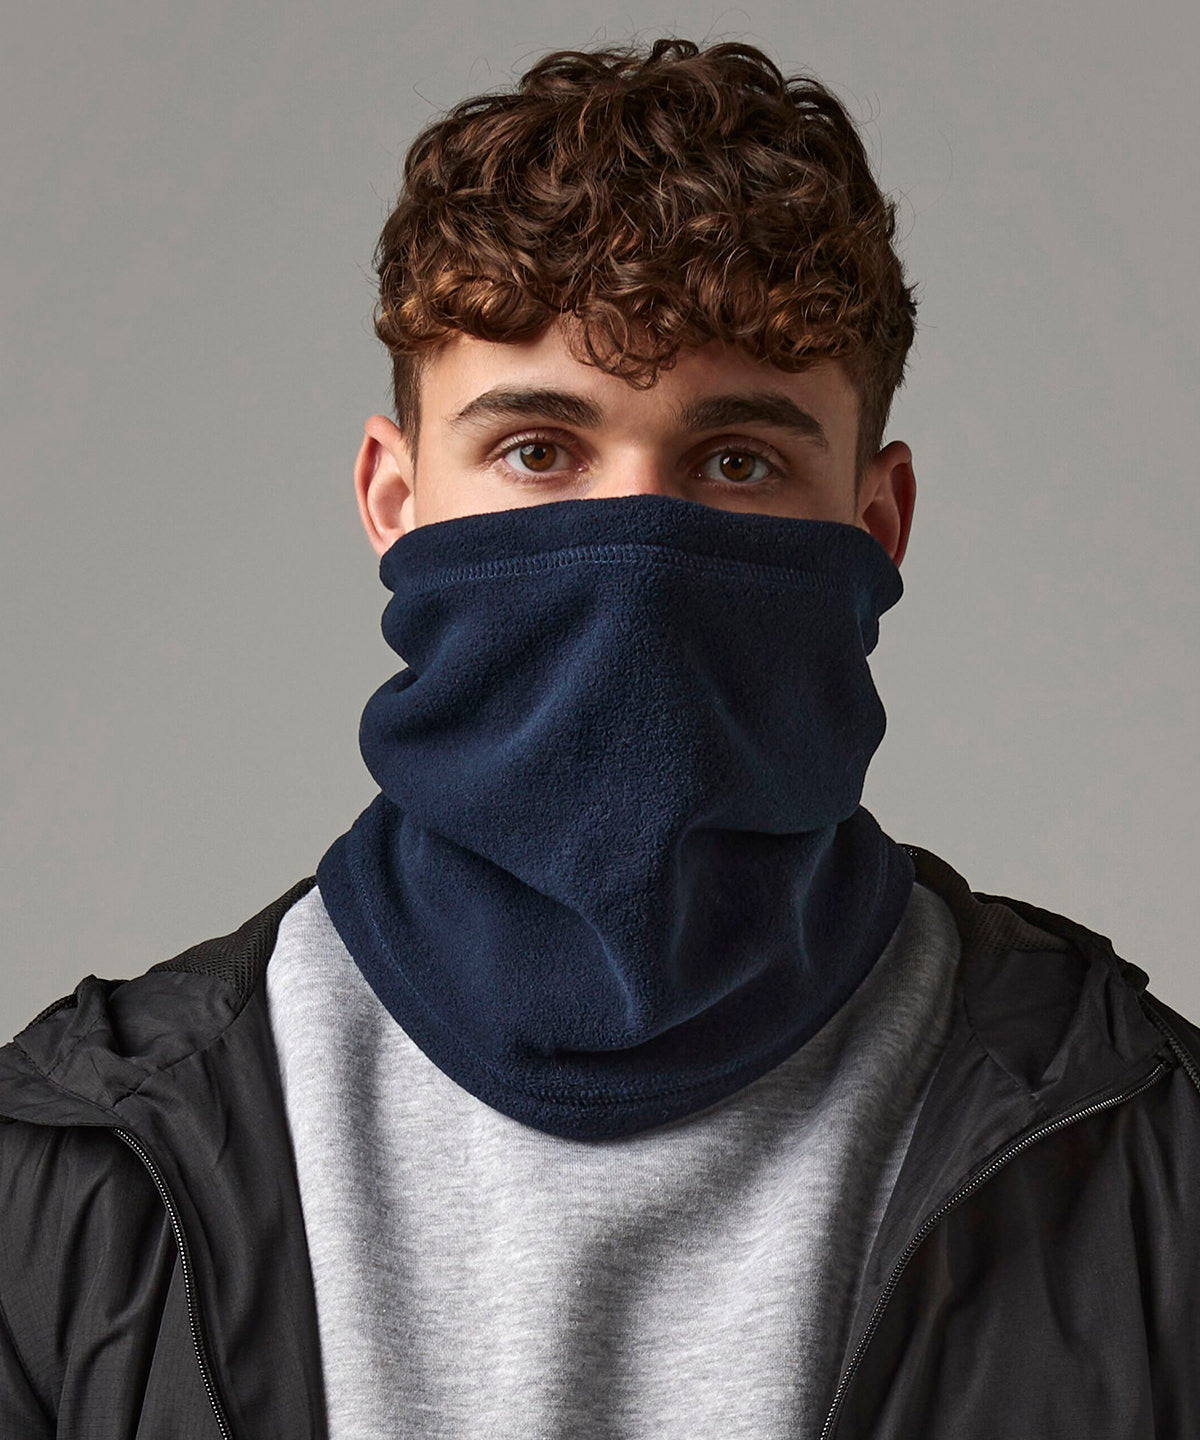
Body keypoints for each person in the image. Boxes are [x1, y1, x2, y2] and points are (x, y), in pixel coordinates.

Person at [1, 35, 1197, 1440]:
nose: (637, 546)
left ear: (878, 524)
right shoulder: (71, 1181)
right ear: (393, 499)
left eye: (737, 462)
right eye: (537, 451)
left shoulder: (1147, 1155)